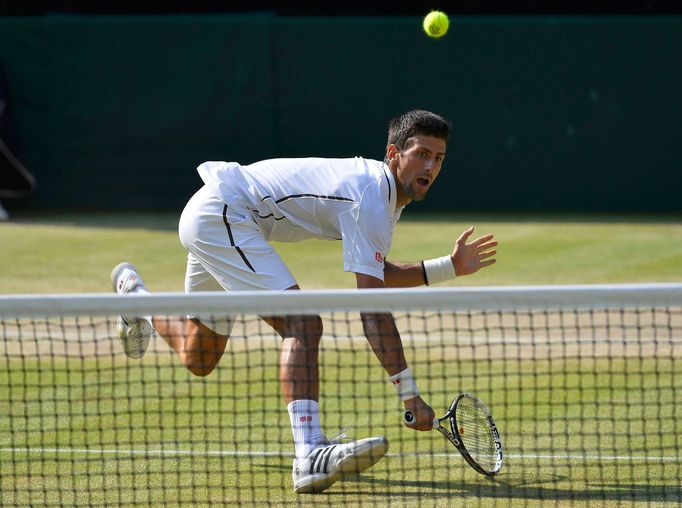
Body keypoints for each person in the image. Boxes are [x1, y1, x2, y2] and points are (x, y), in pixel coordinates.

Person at [111, 109, 497, 494]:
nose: (431, 165)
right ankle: (309, 451)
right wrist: (409, 393)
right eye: (422, 154)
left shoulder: (383, 197)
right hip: (224, 213)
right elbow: (373, 309)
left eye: (439, 158)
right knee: (303, 322)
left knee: (198, 356)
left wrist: (449, 267)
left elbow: (378, 273)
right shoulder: (372, 196)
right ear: (394, 154)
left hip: (217, 213)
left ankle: (135, 299)